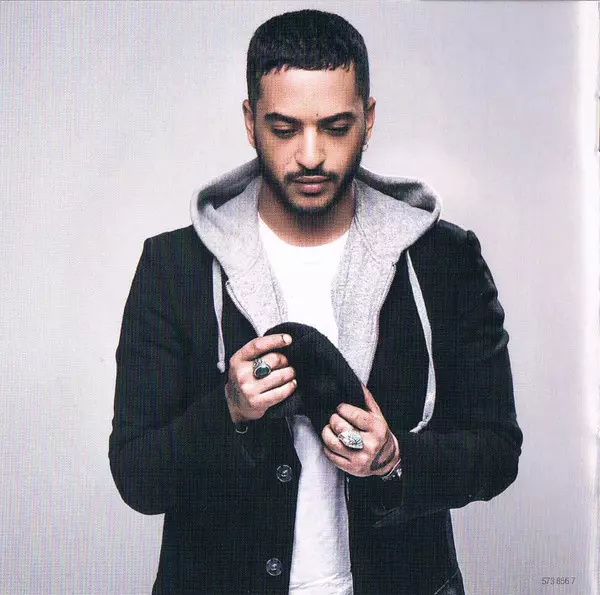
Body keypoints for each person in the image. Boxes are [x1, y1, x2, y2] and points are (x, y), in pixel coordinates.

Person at [109, 9, 522, 595]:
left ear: (368, 119)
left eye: (335, 127)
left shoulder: (444, 260)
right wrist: (227, 411)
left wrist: (395, 459)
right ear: (250, 122)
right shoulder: (173, 266)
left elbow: (498, 449)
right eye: (284, 129)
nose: (310, 155)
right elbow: (137, 475)